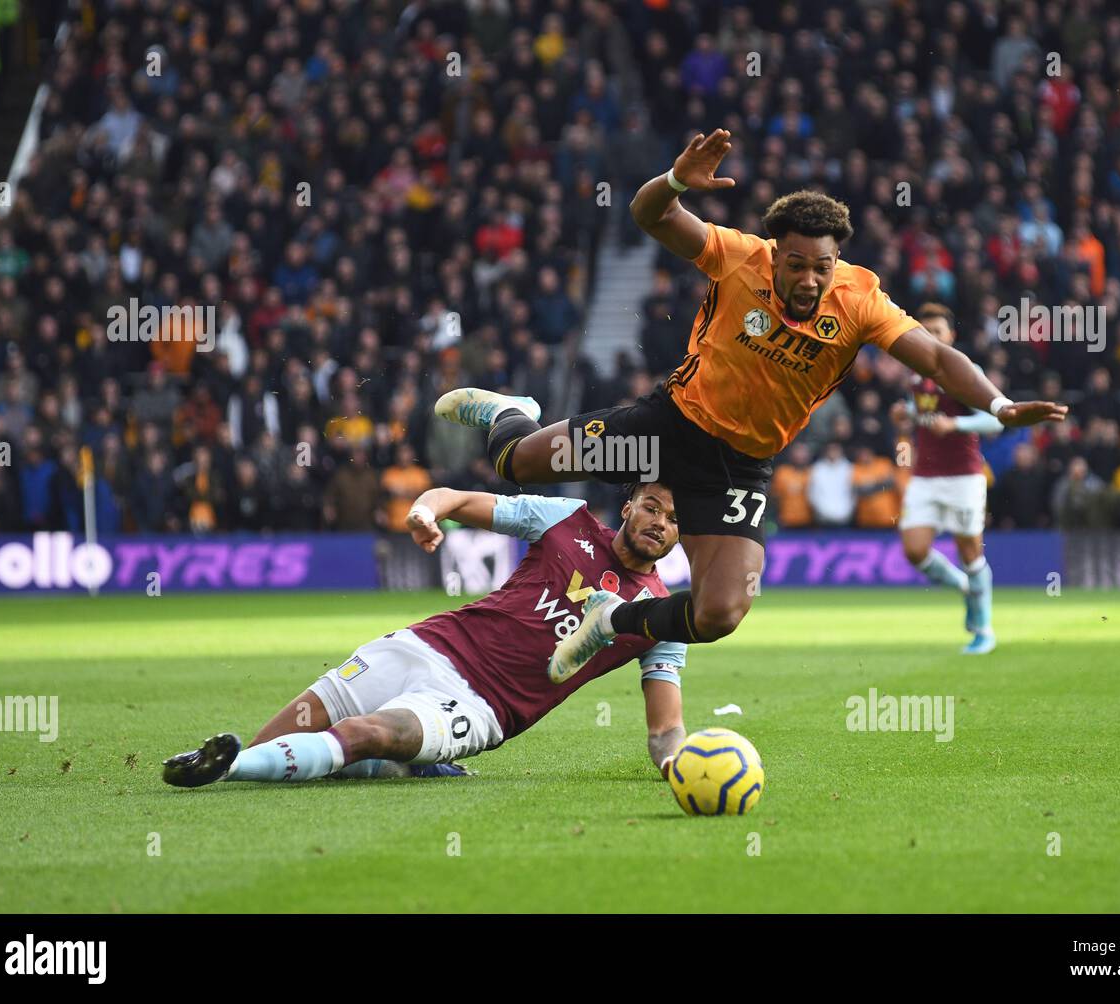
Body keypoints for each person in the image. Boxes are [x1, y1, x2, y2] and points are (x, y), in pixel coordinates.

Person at [435, 129, 1067, 683]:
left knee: (720, 614)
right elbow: (650, 215)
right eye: (796, 265)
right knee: (516, 463)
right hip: (668, 429)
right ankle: (508, 409)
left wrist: (999, 402)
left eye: (822, 267)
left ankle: (612, 621)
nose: (809, 281)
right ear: (776, 252)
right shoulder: (738, 256)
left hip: (739, 468)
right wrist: (677, 180)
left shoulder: (861, 300)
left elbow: (935, 358)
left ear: (836, 261)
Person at [163, 483, 688, 787]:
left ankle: (231, 766)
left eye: (672, 518)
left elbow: (664, 730)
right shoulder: (564, 520)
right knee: (285, 734)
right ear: (628, 507)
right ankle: (261, 760)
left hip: (480, 705)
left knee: (371, 730)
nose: (659, 522)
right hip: (425, 644)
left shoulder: (662, 616)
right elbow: (456, 500)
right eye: (651, 506)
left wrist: (678, 767)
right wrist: (424, 511)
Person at [894, 303, 1005, 655]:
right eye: (925, 332)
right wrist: (907, 413)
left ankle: (983, 629)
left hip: (963, 475)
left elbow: (995, 420)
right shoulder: (915, 374)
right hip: (925, 474)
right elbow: (927, 411)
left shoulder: (965, 371)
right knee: (914, 550)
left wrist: (955, 425)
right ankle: (962, 585)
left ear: (951, 337)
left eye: (938, 332)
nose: (931, 338)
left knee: (970, 553)